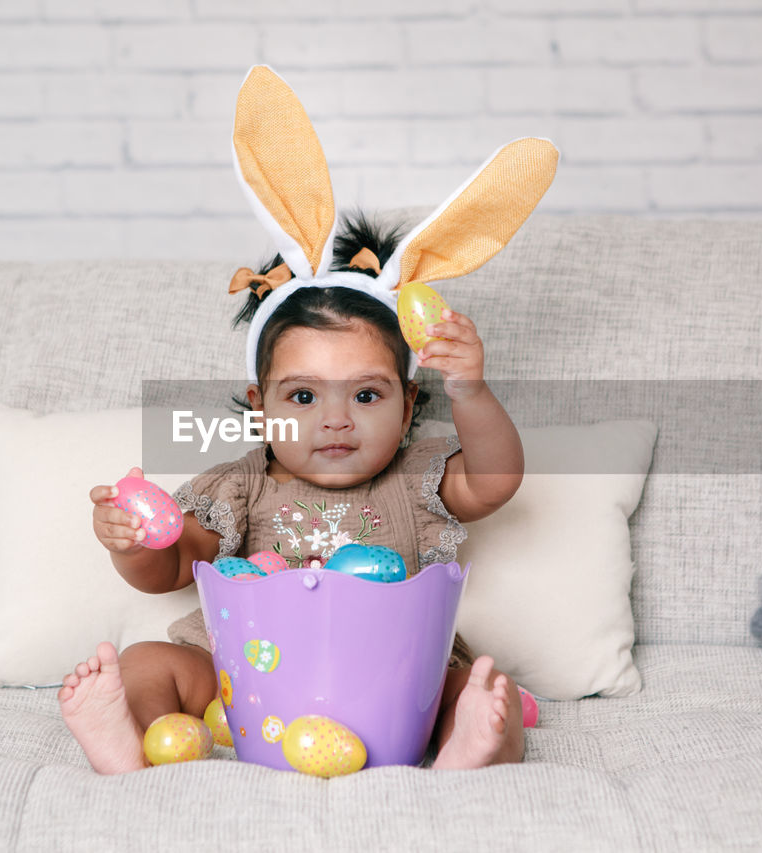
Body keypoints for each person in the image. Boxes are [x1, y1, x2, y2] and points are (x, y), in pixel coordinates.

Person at [59, 212, 528, 774]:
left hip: (390, 676)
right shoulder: (241, 484)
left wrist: (470, 391)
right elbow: (175, 567)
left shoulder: (415, 478)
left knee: (477, 684)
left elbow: (494, 481)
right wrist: (134, 545)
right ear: (261, 410)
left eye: (366, 396)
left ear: (407, 408)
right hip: (247, 676)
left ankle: (468, 745)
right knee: (150, 662)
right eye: (304, 397)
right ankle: (130, 736)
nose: (335, 421)